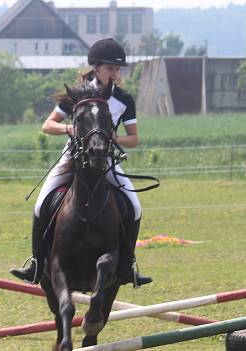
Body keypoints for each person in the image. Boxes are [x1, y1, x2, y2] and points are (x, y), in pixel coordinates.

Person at [10, 37, 152, 287]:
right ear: (96, 67)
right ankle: (36, 263)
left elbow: (134, 139)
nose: (115, 74)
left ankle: (128, 265)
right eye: (111, 68)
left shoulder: (124, 99)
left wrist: (110, 136)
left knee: (135, 206)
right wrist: (70, 130)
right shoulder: (78, 94)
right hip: (72, 158)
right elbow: (47, 125)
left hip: (105, 159)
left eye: (118, 69)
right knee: (42, 202)